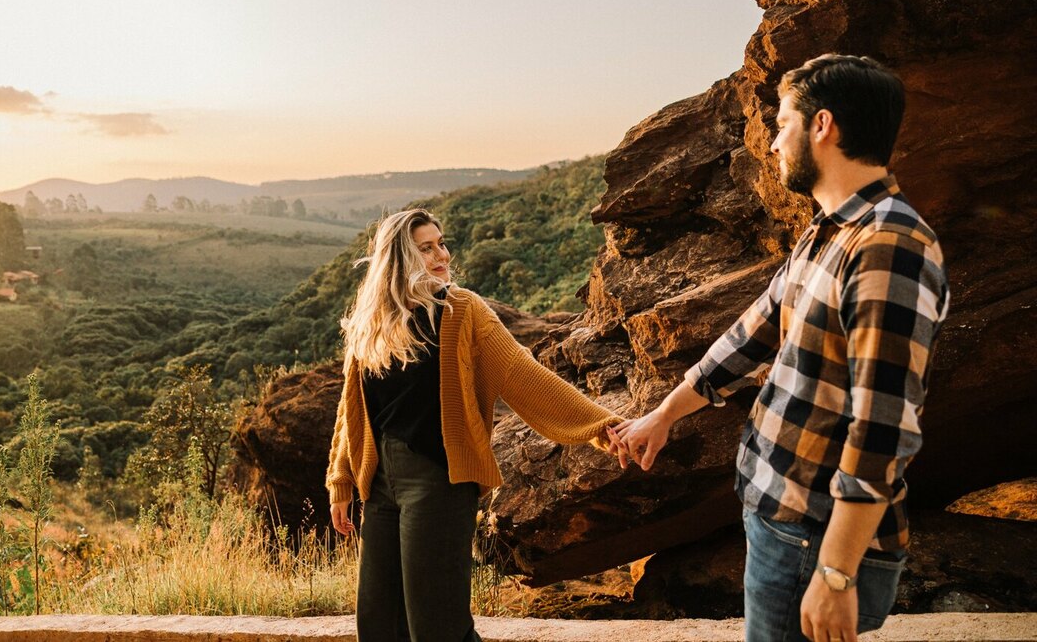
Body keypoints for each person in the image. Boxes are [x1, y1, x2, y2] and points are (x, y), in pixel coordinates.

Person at [607, 54, 949, 642]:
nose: (771, 145)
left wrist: (836, 575)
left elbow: (884, 430)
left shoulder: (889, 247)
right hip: (779, 512)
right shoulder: (830, 228)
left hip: (812, 533)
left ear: (823, 126)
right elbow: (753, 331)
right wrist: (663, 415)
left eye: (781, 124)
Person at [326, 207, 620, 642]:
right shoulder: (374, 320)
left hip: (438, 481)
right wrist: (341, 481)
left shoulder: (463, 311)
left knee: (437, 627)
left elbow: (523, 375)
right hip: (381, 486)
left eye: (441, 244)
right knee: (380, 623)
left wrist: (600, 424)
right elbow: (350, 409)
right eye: (426, 248)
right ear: (399, 258)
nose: (441, 254)